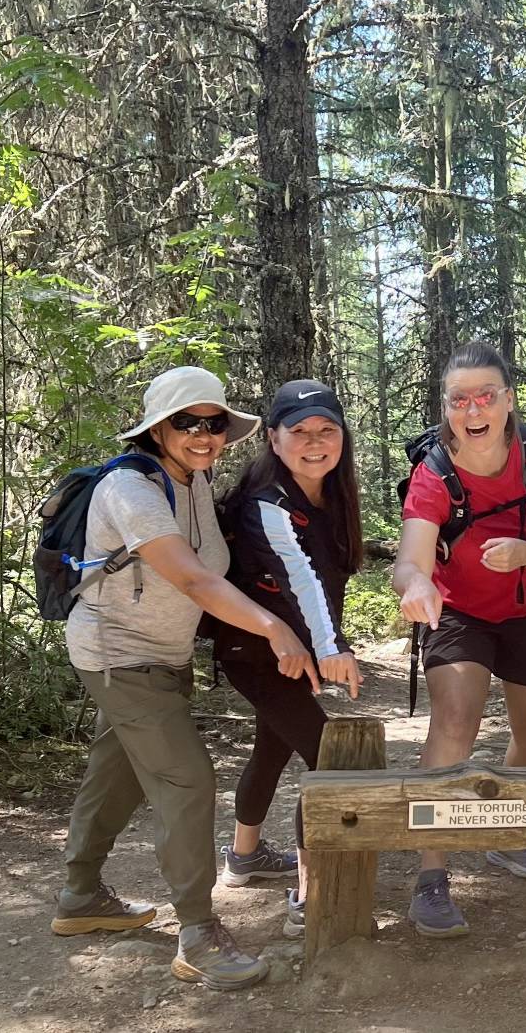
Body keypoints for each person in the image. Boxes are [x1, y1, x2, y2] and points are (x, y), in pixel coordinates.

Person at [53, 365, 317, 991]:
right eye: (187, 422)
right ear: (157, 428)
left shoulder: (194, 480)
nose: (204, 435)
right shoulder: (130, 488)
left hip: (161, 657)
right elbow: (195, 579)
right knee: (188, 778)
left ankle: (79, 896)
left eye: (214, 423)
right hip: (118, 655)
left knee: (115, 772)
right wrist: (273, 630)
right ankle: (197, 932)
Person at [393, 341, 526, 938]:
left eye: (486, 396)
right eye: (459, 399)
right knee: (455, 719)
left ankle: (507, 837)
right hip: (460, 613)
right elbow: (408, 562)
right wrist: (418, 585)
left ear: (508, 400)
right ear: (447, 407)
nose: (473, 409)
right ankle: (432, 872)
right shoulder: (434, 475)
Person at [211, 379, 365, 940]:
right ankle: (311, 892)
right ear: (273, 440)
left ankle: (244, 856)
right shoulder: (266, 503)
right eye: (298, 432)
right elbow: (299, 578)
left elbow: (327, 580)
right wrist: (332, 650)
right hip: (254, 649)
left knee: (274, 746)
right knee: (328, 757)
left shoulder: (330, 495)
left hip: (288, 648)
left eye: (327, 430)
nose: (315, 442)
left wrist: (326, 642)